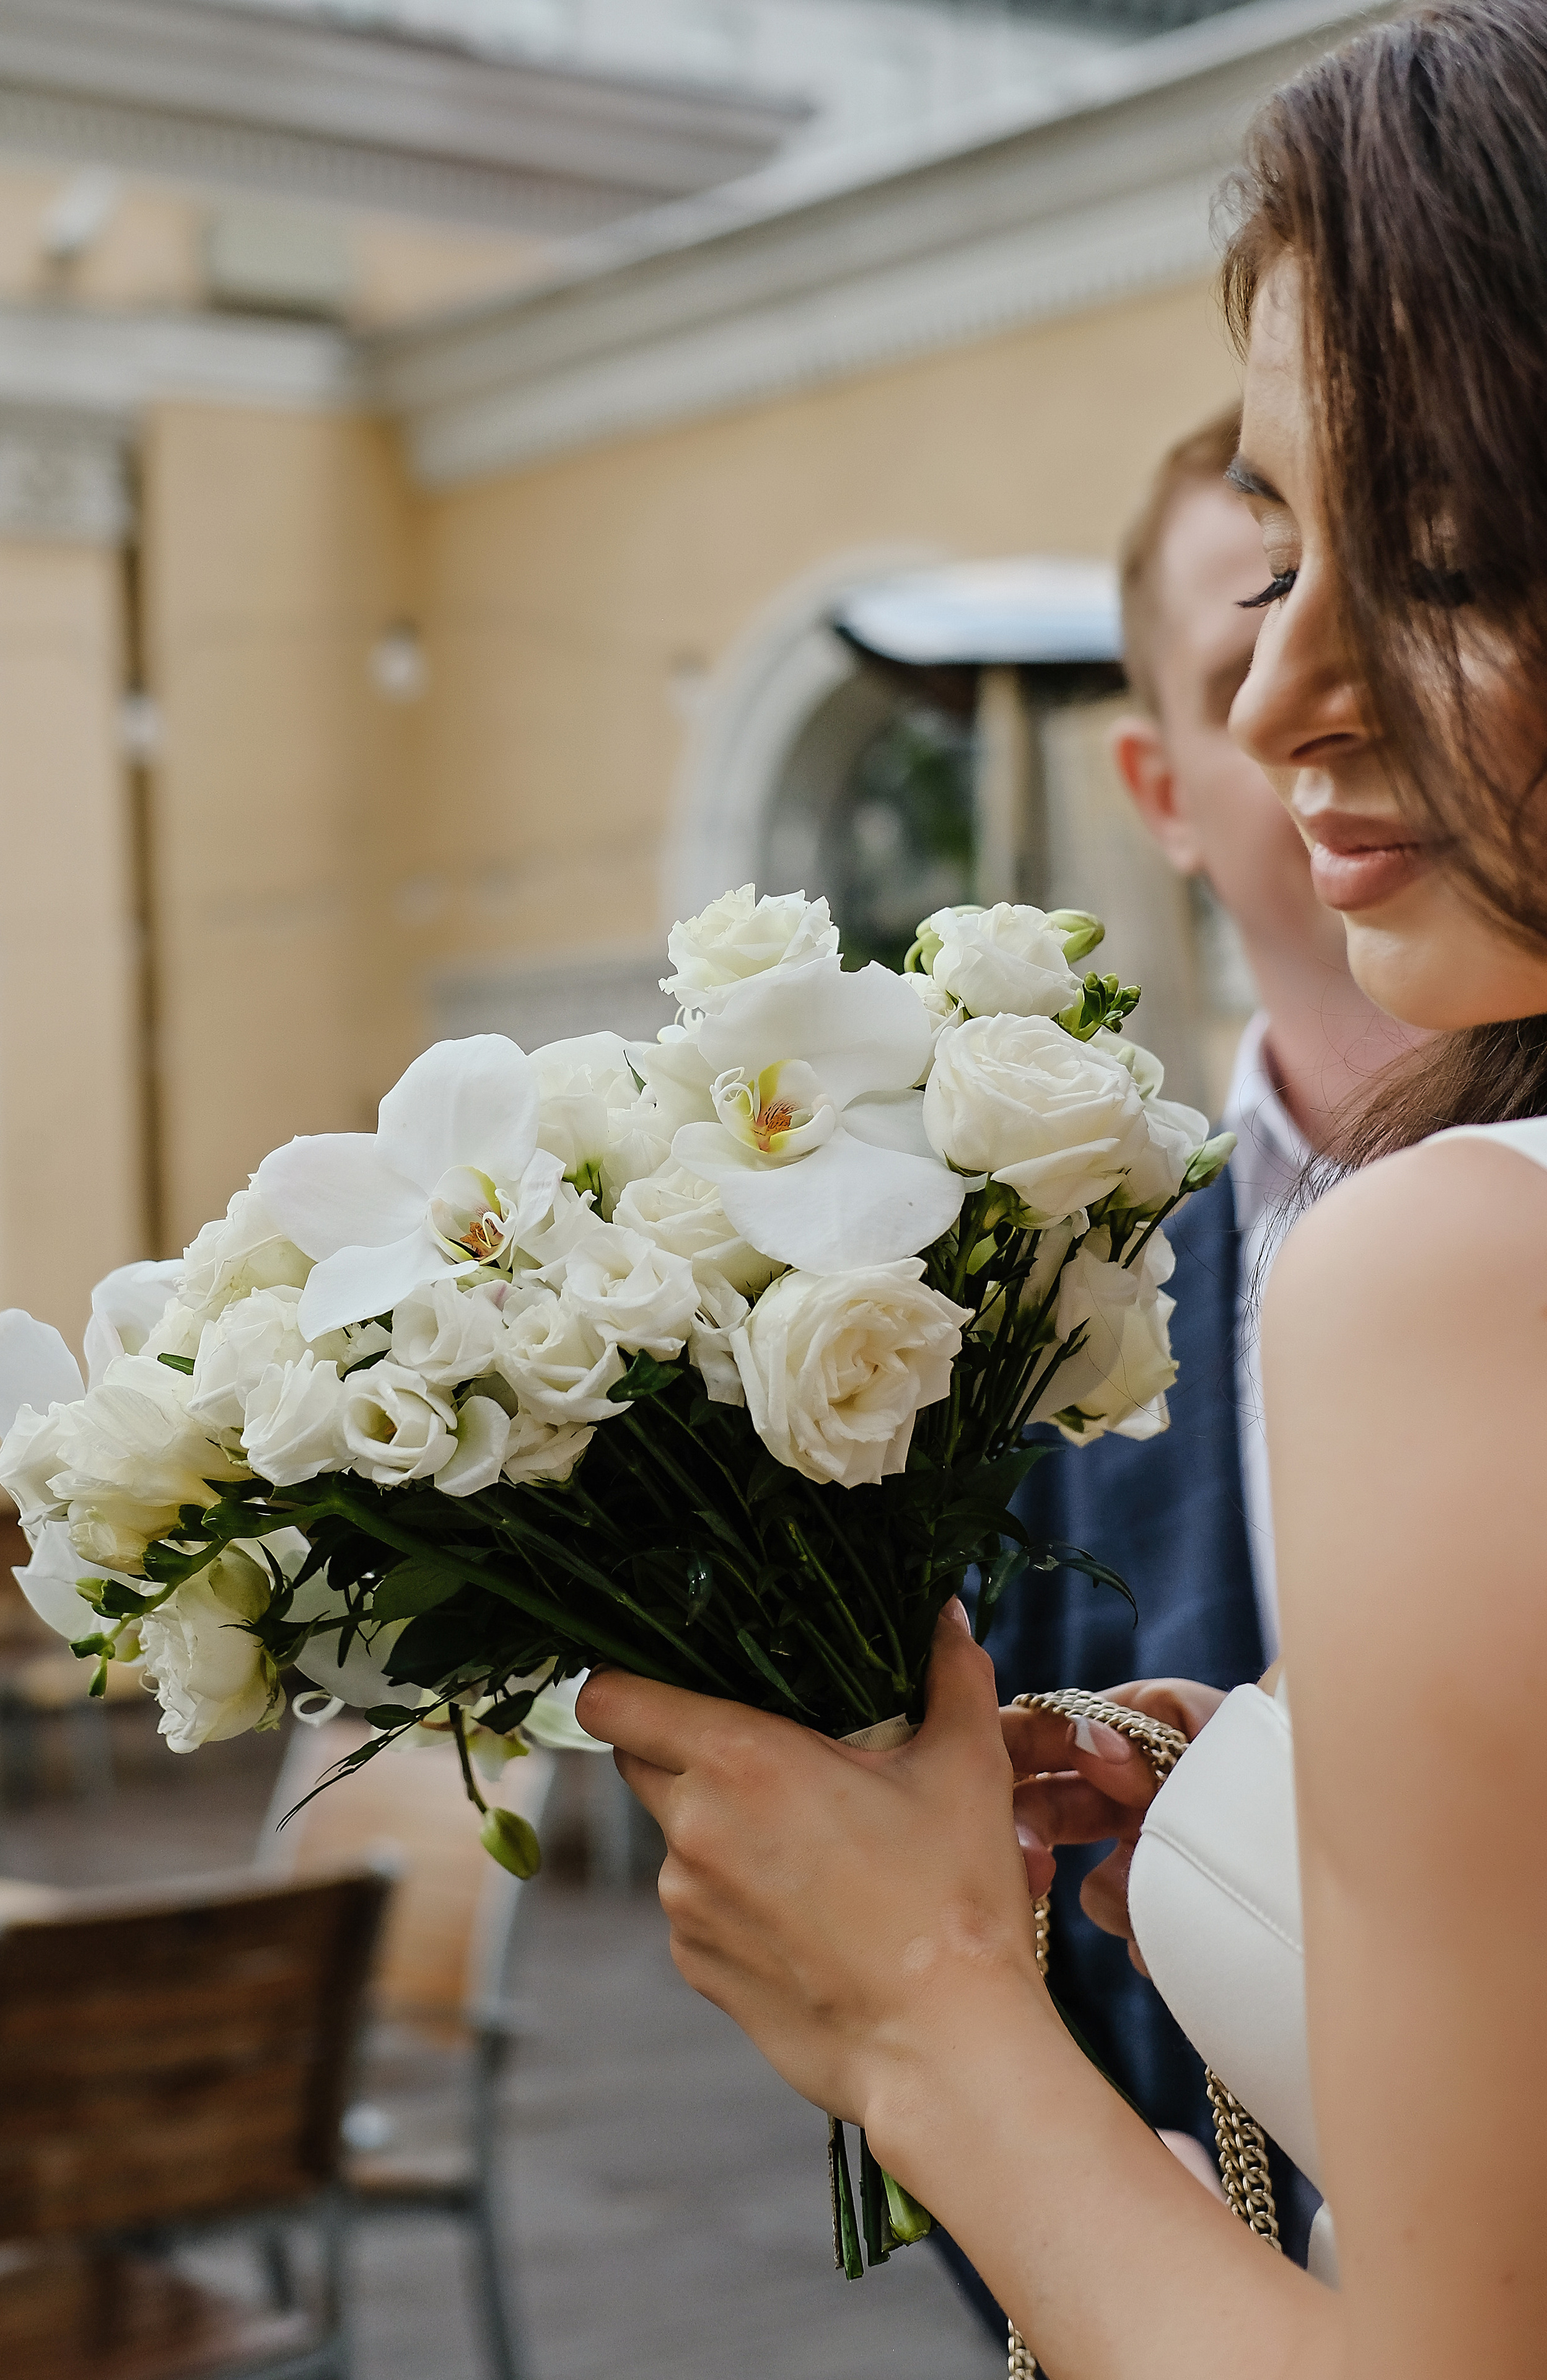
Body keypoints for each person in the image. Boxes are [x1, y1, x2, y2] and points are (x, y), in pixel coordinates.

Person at [579, 4, 1547, 2369]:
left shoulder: (1452, 1262)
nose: (1280, 691)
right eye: (1284, 554)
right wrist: (1273, 1817)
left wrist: (913, 2010)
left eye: (1432, 561)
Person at [935, 408, 1418, 2330]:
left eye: (1415, 603)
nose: (1331, 700)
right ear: (1159, 779)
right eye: (1252, 657)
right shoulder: (1034, 1344)